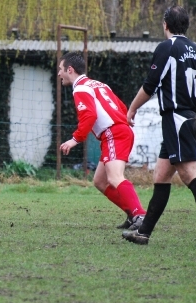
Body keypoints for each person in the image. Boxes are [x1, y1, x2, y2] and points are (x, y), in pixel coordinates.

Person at [122, 5, 196, 248]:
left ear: (165, 24)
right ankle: (144, 232)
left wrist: (132, 109)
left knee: (189, 173)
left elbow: (150, 84)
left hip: (177, 119)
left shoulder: (167, 48)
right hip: (193, 120)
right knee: (161, 175)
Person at [58, 52, 147, 230]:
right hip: (117, 132)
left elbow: (89, 115)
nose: (59, 74)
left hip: (114, 133)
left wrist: (75, 139)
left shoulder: (80, 88)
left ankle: (140, 216)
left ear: (70, 69)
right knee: (100, 181)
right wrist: (125, 119)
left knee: (115, 177)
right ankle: (132, 214)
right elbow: (120, 105)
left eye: (60, 69)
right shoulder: (98, 84)